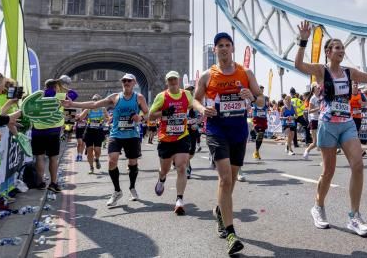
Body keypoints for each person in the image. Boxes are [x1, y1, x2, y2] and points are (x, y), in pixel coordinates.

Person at [294, 20, 367, 237]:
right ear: (328, 52)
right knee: (328, 171)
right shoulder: (321, 71)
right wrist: (303, 41)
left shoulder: (349, 72)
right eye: (337, 48)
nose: (341, 51)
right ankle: (318, 207)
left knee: (358, 165)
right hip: (327, 125)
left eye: (343, 48)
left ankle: (354, 216)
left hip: (347, 124)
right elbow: (298, 65)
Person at [192, 32, 262, 255]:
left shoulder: (245, 72)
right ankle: (231, 234)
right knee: (225, 178)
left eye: (227, 45)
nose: (223, 48)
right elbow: (195, 99)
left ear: (232, 48)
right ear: (214, 50)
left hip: (239, 130)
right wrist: (203, 109)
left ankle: (220, 211)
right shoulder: (207, 75)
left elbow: (261, 98)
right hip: (216, 129)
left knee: (231, 180)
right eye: (219, 45)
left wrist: (250, 95)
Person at [64, 74, 148, 207]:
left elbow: (147, 113)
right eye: (124, 80)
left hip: (132, 135)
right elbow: (94, 104)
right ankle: (117, 191)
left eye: (129, 81)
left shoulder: (139, 98)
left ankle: (132, 187)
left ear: (134, 82)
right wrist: (73, 103)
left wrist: (141, 118)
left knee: (132, 162)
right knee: (112, 160)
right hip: (116, 135)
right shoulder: (115, 97)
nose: (126, 82)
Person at [151, 71, 195, 215]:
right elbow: (150, 115)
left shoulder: (186, 95)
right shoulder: (161, 96)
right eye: (170, 80)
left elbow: (190, 105)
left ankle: (179, 200)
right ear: (167, 82)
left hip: (182, 136)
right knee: (165, 169)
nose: (173, 82)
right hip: (166, 139)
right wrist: (164, 113)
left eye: (175, 79)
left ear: (179, 80)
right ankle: (162, 179)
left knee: (182, 167)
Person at [31, 78, 75, 193]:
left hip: (38, 130)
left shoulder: (38, 95)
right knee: (53, 158)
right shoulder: (59, 95)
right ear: (56, 86)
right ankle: (53, 183)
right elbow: (74, 94)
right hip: (53, 130)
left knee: (39, 156)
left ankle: (40, 182)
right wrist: (63, 87)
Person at [79, 95, 108, 174]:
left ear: (100, 101)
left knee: (97, 150)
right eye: (93, 99)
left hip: (98, 131)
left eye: (96, 99)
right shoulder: (88, 109)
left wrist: (106, 120)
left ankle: (97, 159)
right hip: (89, 131)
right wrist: (76, 117)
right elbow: (80, 117)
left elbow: (108, 118)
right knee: (89, 150)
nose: (94, 101)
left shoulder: (103, 109)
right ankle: (91, 167)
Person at [303, 84, 322, 159]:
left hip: (321, 120)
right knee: (315, 142)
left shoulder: (321, 97)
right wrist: (318, 108)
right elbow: (309, 111)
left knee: (322, 141)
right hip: (314, 120)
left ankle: (324, 161)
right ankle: (307, 150)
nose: (318, 88)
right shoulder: (312, 98)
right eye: (316, 87)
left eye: (319, 87)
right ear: (313, 89)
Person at [252, 95, 269, 160]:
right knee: (260, 134)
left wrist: (266, 102)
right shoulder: (254, 100)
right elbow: (250, 106)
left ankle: (257, 151)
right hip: (257, 120)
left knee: (261, 136)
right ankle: (256, 151)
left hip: (263, 120)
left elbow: (267, 106)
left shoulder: (266, 99)